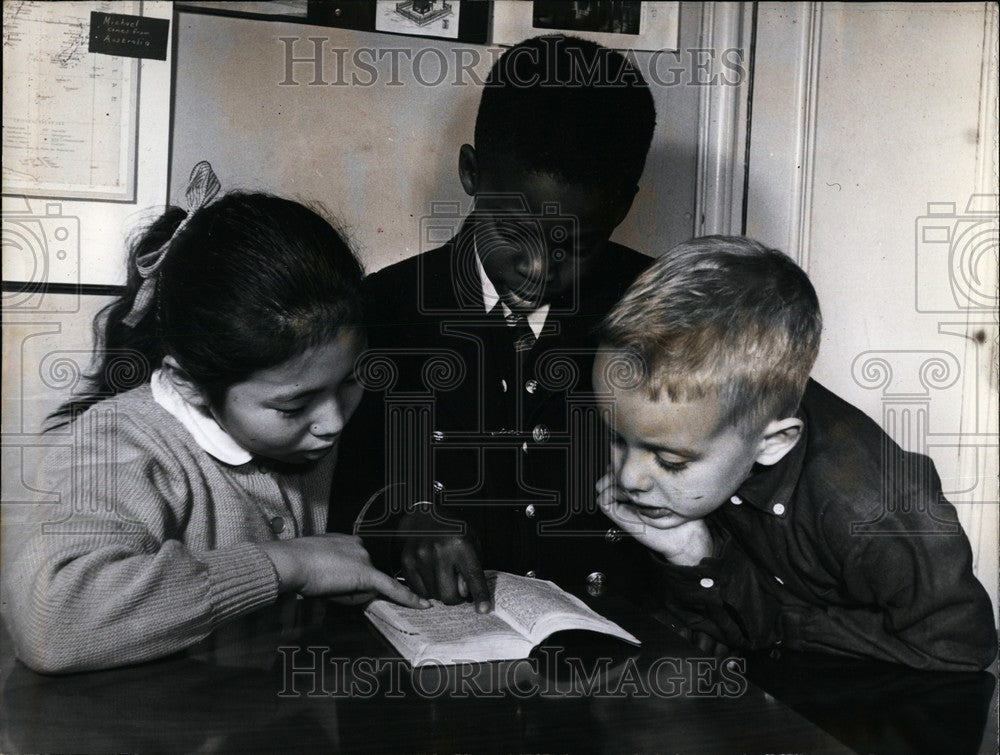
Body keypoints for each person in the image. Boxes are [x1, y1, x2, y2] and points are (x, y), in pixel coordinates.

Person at [2, 163, 427, 674]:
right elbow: (52, 623)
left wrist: (412, 521)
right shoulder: (117, 443)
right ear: (189, 384)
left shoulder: (320, 425)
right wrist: (289, 564)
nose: (333, 422)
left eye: (353, 379)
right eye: (293, 406)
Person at [332, 35, 657, 610]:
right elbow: (335, 491)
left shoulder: (662, 309)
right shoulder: (380, 311)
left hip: (614, 664)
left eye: (574, 246)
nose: (537, 270)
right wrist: (404, 518)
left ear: (624, 207)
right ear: (472, 173)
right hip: (425, 660)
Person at [594, 235, 997, 671]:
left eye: (669, 461)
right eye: (617, 438)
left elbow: (961, 645)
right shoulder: (711, 439)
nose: (629, 476)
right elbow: (734, 622)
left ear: (772, 442)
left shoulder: (873, 507)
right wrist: (693, 554)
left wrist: (789, 627)